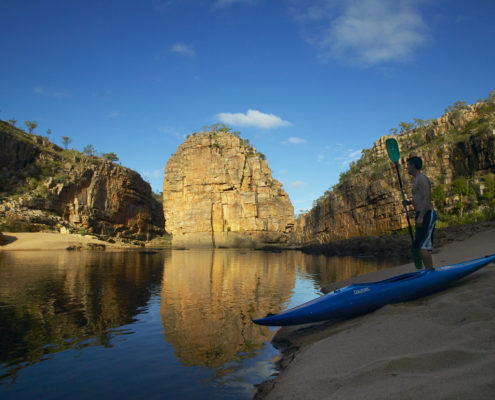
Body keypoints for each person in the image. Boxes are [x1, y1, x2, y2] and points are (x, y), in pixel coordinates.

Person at [403, 156, 437, 269]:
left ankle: (430, 272)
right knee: (420, 245)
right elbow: (419, 198)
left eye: (407, 165)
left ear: (413, 165)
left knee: (422, 246)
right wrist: (408, 202)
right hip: (421, 213)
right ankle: (429, 270)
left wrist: (421, 216)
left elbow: (427, 197)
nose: (406, 167)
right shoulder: (416, 179)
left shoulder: (422, 178)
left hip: (426, 213)